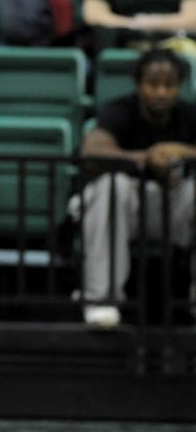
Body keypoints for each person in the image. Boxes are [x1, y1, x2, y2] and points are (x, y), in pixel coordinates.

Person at [73, 48, 196, 328]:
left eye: (170, 85)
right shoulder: (119, 110)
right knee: (110, 185)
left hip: (174, 211)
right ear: (139, 84)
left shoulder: (189, 114)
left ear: (180, 86)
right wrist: (147, 158)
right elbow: (92, 151)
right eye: (154, 84)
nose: (161, 92)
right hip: (127, 210)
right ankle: (102, 301)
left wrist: (180, 151)